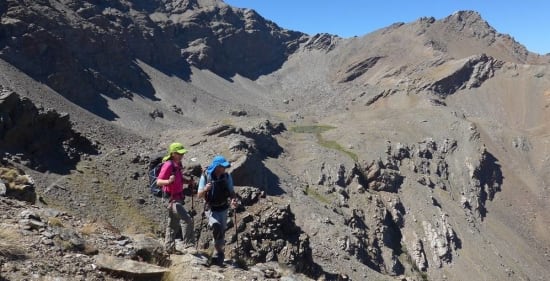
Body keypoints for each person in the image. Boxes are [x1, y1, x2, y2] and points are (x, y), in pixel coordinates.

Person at [197, 155, 238, 266]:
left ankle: (218, 254)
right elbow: (199, 195)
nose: (225, 168)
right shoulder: (205, 176)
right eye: (222, 166)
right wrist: (205, 189)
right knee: (217, 226)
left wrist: (233, 200)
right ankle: (218, 252)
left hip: (223, 208)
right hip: (211, 208)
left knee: (221, 231)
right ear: (216, 166)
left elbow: (231, 191)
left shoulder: (226, 177)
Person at [156, 142, 195, 253]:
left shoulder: (177, 164)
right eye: (179, 153)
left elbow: (178, 177)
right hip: (170, 198)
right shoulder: (168, 165)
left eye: (182, 153)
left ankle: (169, 248)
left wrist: (187, 181)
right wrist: (168, 181)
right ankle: (189, 245)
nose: (182, 155)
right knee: (187, 219)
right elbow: (158, 182)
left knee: (173, 223)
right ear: (173, 153)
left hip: (177, 197)